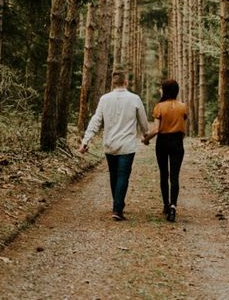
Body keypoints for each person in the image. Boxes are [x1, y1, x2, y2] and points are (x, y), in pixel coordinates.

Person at [79, 71, 149, 221]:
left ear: (112, 83)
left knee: (114, 175)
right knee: (123, 175)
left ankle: (117, 205)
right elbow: (143, 121)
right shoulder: (134, 99)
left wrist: (85, 141)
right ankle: (117, 208)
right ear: (126, 82)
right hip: (127, 146)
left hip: (110, 144)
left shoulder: (105, 99)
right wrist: (146, 135)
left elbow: (96, 120)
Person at [142, 78, 187, 222]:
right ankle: (173, 206)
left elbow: (156, 129)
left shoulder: (159, 107)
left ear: (165, 90)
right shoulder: (183, 106)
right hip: (177, 142)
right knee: (175, 176)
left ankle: (166, 205)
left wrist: (146, 139)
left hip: (162, 142)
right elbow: (183, 124)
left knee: (164, 174)